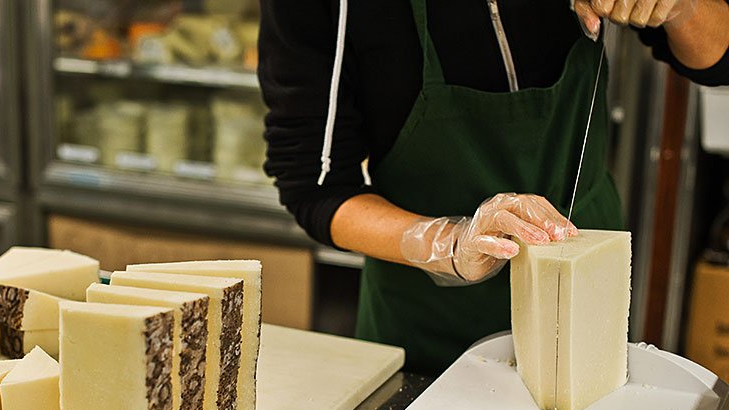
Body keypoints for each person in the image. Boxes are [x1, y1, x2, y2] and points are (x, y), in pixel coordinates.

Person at [259, 0, 729, 375]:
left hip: (586, 295)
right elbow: (315, 186)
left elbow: (717, 61)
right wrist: (449, 242)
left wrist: (683, 8)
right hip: (429, 327)